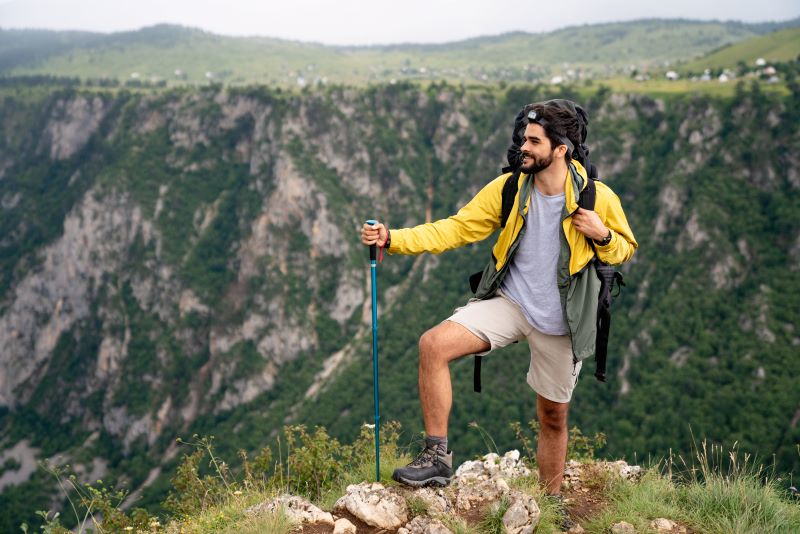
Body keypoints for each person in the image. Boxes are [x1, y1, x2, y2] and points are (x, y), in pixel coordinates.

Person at [360, 100, 637, 500]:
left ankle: (551, 503)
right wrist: (393, 238)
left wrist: (602, 235)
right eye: (524, 138)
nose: (523, 146)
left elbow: (625, 249)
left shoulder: (597, 198)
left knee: (553, 417)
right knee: (433, 344)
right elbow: (455, 229)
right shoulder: (509, 188)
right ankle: (437, 457)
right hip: (511, 302)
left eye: (534, 141)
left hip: (562, 318)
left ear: (561, 149)